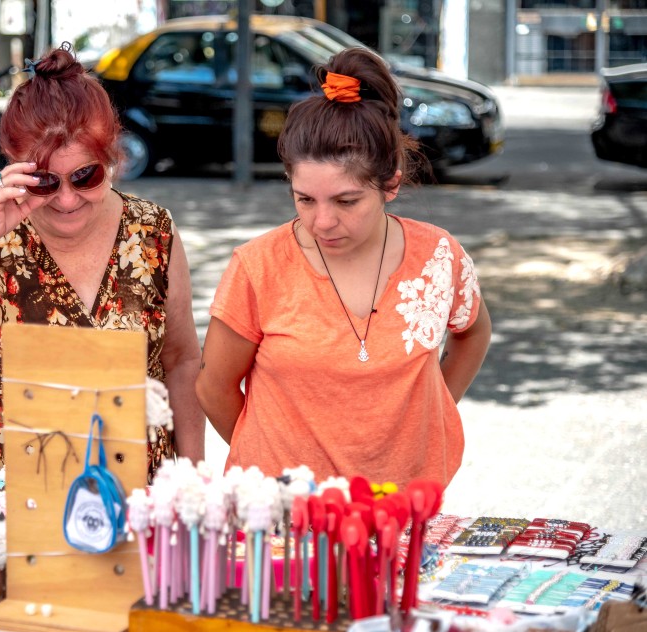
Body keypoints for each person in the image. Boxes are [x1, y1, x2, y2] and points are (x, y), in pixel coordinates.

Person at [0, 43, 205, 478]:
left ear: (112, 156)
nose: (67, 199)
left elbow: (182, 360)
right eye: (43, 181)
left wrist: (191, 480)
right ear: (14, 164)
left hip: (125, 480)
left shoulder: (151, 231)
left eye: (85, 176)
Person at [195, 48, 492, 490]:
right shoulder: (258, 267)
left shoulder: (439, 256)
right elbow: (213, 387)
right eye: (304, 199)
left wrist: (432, 413)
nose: (322, 222)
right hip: (285, 520)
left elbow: (473, 333)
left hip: (404, 509)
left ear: (390, 183)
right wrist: (269, 465)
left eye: (346, 201)